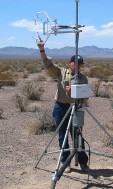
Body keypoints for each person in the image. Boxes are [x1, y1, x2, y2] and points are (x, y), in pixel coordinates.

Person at [37, 40, 89, 173]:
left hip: (76, 108)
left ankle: (83, 161)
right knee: (62, 135)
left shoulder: (83, 78)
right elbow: (48, 64)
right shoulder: (61, 72)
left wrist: (75, 91)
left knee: (77, 135)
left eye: (80, 65)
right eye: (75, 63)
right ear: (70, 63)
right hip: (61, 107)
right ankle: (65, 162)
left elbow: (85, 96)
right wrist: (42, 49)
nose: (77, 66)